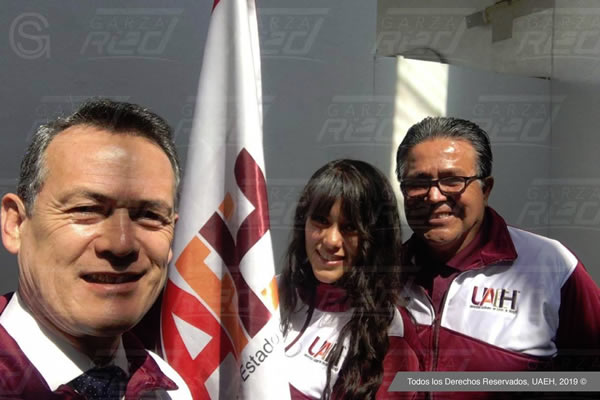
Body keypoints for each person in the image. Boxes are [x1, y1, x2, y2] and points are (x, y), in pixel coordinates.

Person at [0, 99, 192, 399]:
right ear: (16, 224)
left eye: (149, 215)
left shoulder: (171, 390)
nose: (120, 244)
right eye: (87, 209)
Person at [395, 117, 600, 389]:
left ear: (486, 189)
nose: (434, 197)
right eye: (417, 183)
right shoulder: (383, 272)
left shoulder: (550, 265)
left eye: (453, 180)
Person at [279, 159, 420, 400]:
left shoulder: (389, 331)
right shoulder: (269, 292)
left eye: (350, 227)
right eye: (321, 221)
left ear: (375, 238)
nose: (331, 241)